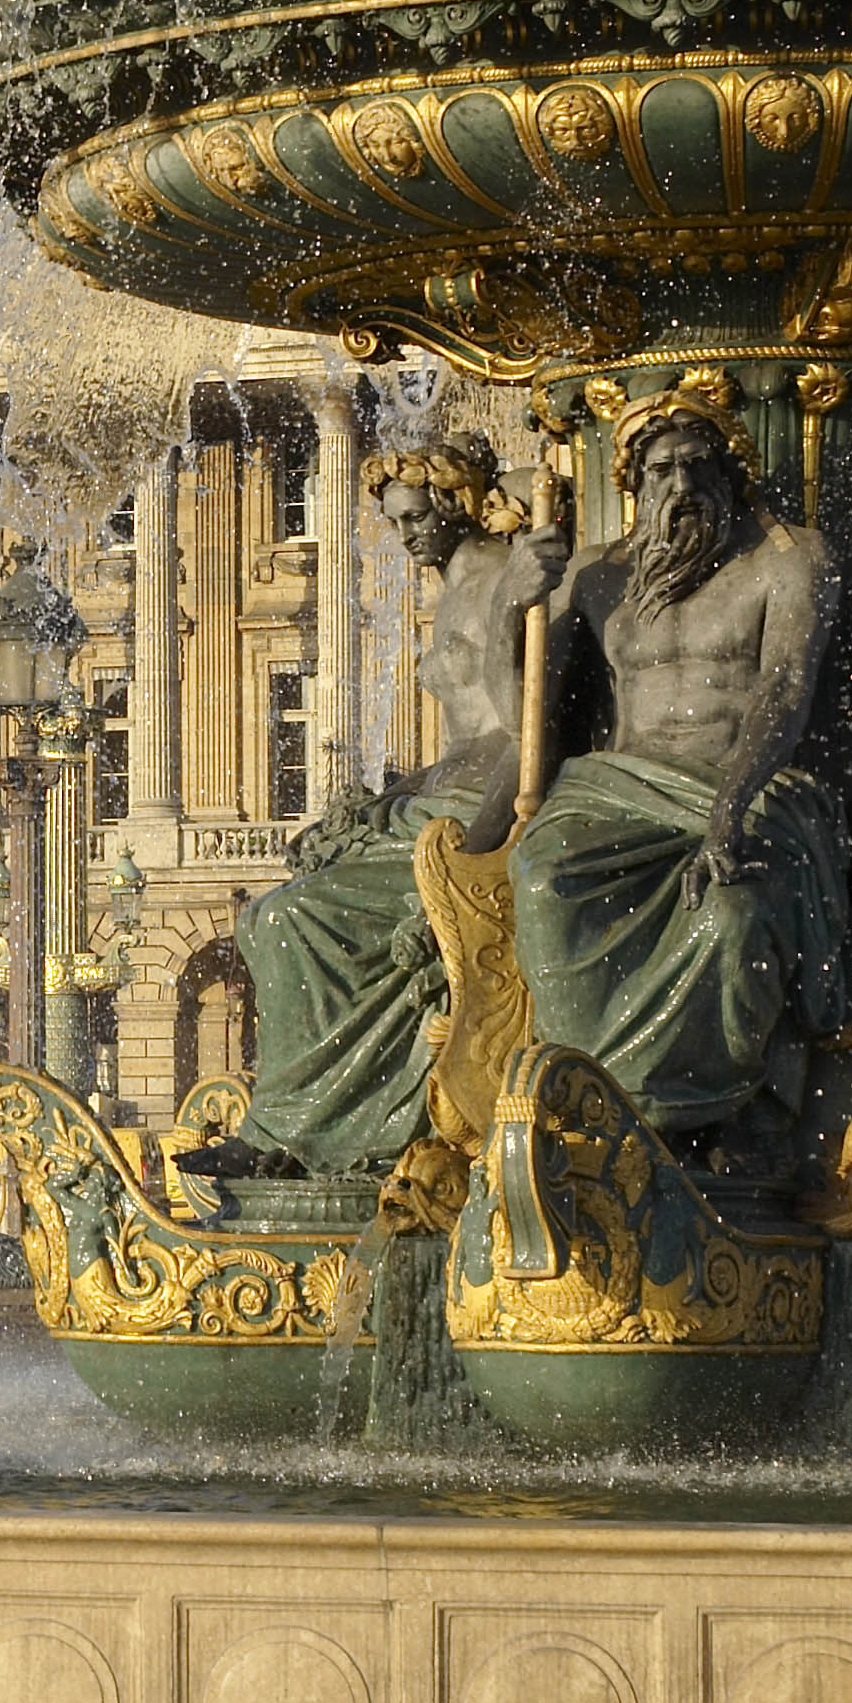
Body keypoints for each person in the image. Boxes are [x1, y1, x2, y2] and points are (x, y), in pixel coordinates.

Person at [508, 391, 848, 1168]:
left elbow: (784, 687)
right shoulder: (596, 577)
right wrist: (511, 601)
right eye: (660, 470)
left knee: (730, 916)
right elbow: (526, 714)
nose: (681, 485)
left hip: (744, 784)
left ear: (731, 473)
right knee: (540, 875)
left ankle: (706, 1113)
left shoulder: (791, 560)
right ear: (632, 483)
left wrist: (729, 813)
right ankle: (583, 1098)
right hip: (619, 792)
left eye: (698, 466)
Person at [237, 431, 544, 1176]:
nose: (404, 537)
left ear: (458, 503)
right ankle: (310, 1122)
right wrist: (383, 798)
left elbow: (526, 733)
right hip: (436, 801)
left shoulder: (511, 581)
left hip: (478, 811)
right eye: (395, 521)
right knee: (261, 914)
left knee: (289, 918)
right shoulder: (453, 593)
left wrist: (467, 856)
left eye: (415, 518)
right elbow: (462, 741)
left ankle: (291, 1130)